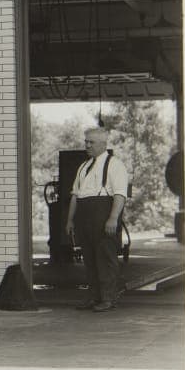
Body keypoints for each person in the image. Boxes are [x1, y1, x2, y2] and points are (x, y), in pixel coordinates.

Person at [65, 127, 129, 312]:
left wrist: (113, 218)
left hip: (103, 214)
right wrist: (70, 221)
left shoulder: (115, 165)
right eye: (86, 141)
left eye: (91, 142)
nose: (87, 145)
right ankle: (94, 297)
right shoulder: (83, 167)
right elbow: (75, 196)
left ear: (103, 144)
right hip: (84, 216)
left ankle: (109, 298)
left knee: (105, 258)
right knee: (89, 258)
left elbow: (120, 195)